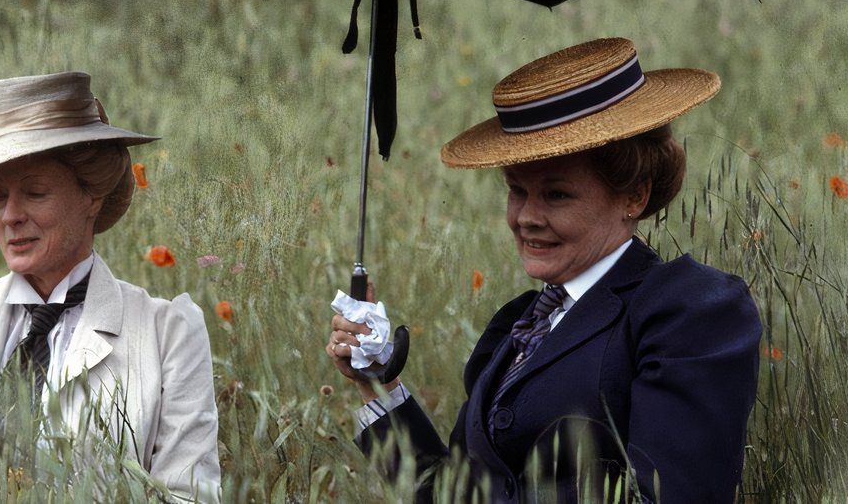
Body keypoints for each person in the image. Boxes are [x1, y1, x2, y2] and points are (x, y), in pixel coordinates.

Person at [326, 38, 761, 502]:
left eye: (556, 195)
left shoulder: (689, 311)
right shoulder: (516, 325)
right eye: (517, 191)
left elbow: (666, 494)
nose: (526, 217)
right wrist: (378, 384)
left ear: (634, 195)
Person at [0, 72, 220, 502]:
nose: (10, 215)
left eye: (34, 193)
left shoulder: (167, 334)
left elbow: (190, 496)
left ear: (92, 196)